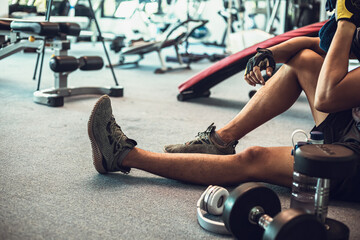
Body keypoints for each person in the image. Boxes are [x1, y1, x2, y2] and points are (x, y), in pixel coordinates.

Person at [88, 0, 360, 202]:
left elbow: (327, 97)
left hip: (354, 161)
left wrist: (346, 22)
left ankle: (123, 156)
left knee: (255, 159)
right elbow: (314, 45)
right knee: (304, 60)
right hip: (349, 125)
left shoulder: (351, 21)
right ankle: (219, 141)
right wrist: (267, 53)